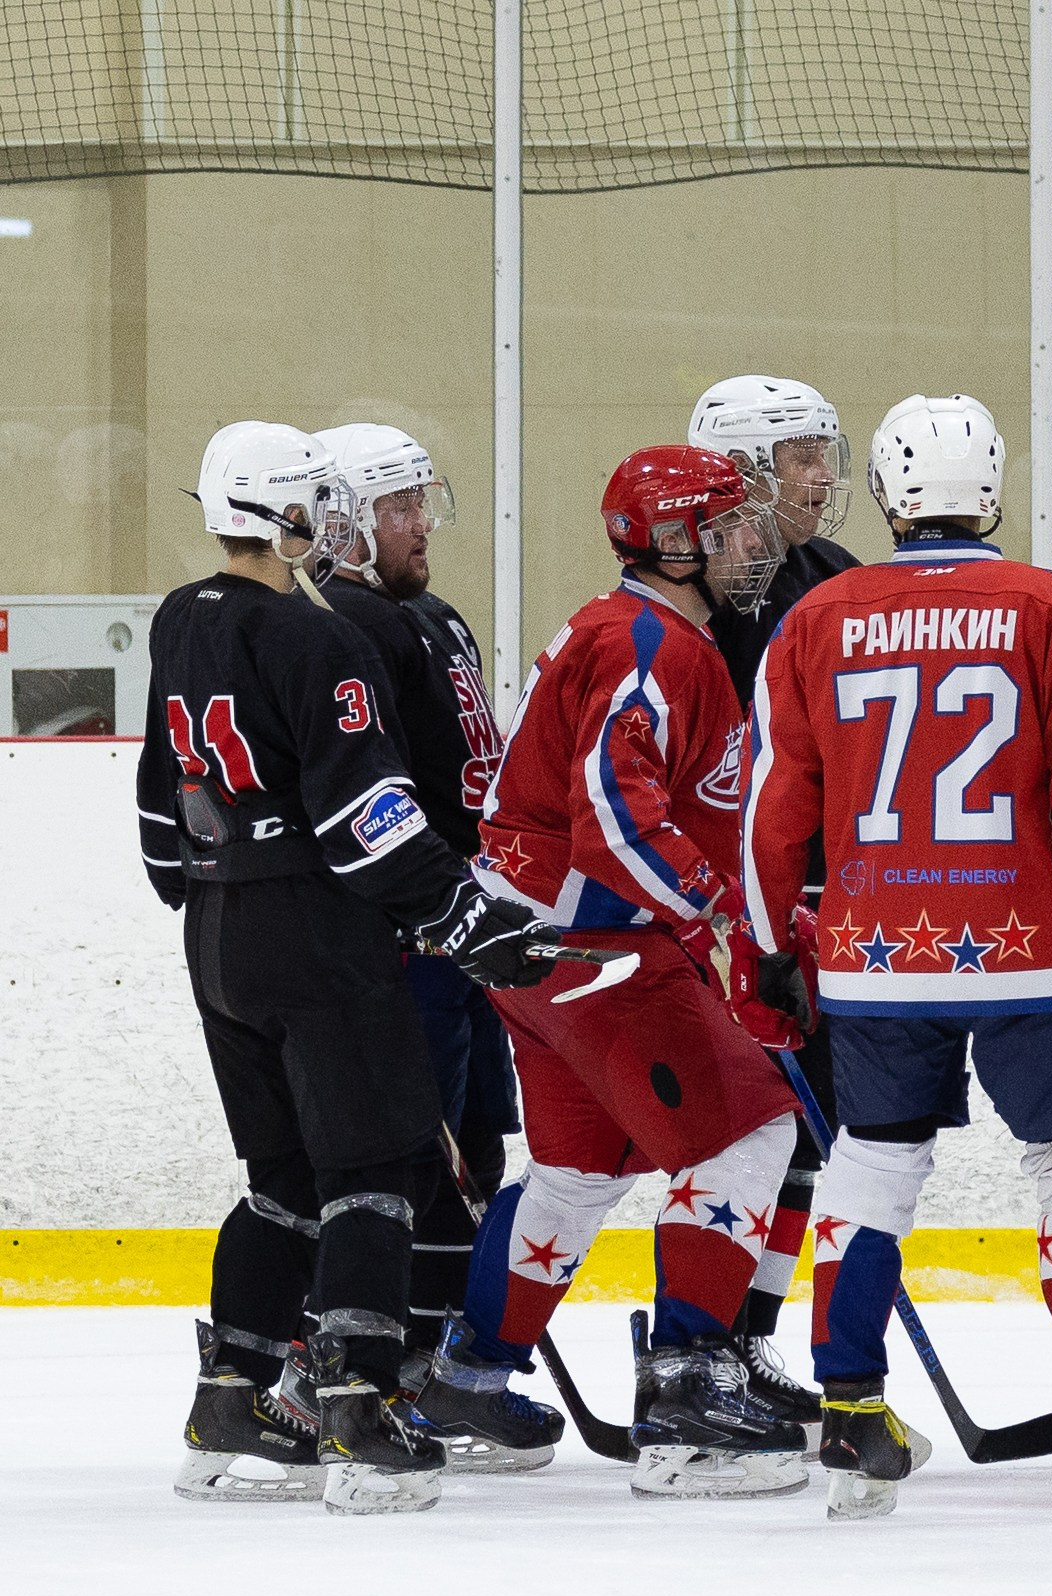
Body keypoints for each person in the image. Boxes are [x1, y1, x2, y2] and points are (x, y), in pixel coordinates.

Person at [741, 391, 1052, 1523]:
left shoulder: (816, 618)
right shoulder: (1051, 607)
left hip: (872, 952)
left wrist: (771, 949)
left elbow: (776, 804)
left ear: (889, 496)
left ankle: (852, 1403)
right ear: (995, 487)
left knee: (872, 1162)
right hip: (1026, 945)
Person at [145, 421, 557, 1514]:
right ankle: (361, 1408)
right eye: (317, 501)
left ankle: (230, 1394)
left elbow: (158, 809)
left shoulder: (180, 619)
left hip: (220, 935)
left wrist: (205, 882)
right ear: (287, 512)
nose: (329, 520)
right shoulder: (320, 640)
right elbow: (364, 812)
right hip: (320, 935)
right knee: (372, 1168)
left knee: (279, 1182)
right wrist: (459, 910)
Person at [457, 444, 814, 1501]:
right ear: (675, 542)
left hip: (548, 947)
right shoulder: (649, 642)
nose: (753, 540)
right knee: (750, 1132)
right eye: (730, 523)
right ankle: (688, 1392)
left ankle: (469, 1375)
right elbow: (616, 813)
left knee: (577, 1173)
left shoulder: (654, 634)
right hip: (594, 943)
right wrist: (726, 914)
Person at [310, 422, 544, 1471]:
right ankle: (389, 1354)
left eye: (420, 502)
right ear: (340, 523)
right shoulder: (342, 629)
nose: (418, 524)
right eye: (396, 506)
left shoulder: (430, 617)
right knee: (414, 1150)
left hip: (465, 928)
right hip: (411, 939)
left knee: (479, 1143)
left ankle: (445, 1355)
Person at [686, 374, 864, 1428]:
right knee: (737, 1137)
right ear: (747, 469)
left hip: (823, 907)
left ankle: (743, 1341)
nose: (822, 472)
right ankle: (689, 1341)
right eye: (799, 452)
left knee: (806, 1138)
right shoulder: (696, 593)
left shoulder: (833, 572)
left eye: (822, 448)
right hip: (724, 912)